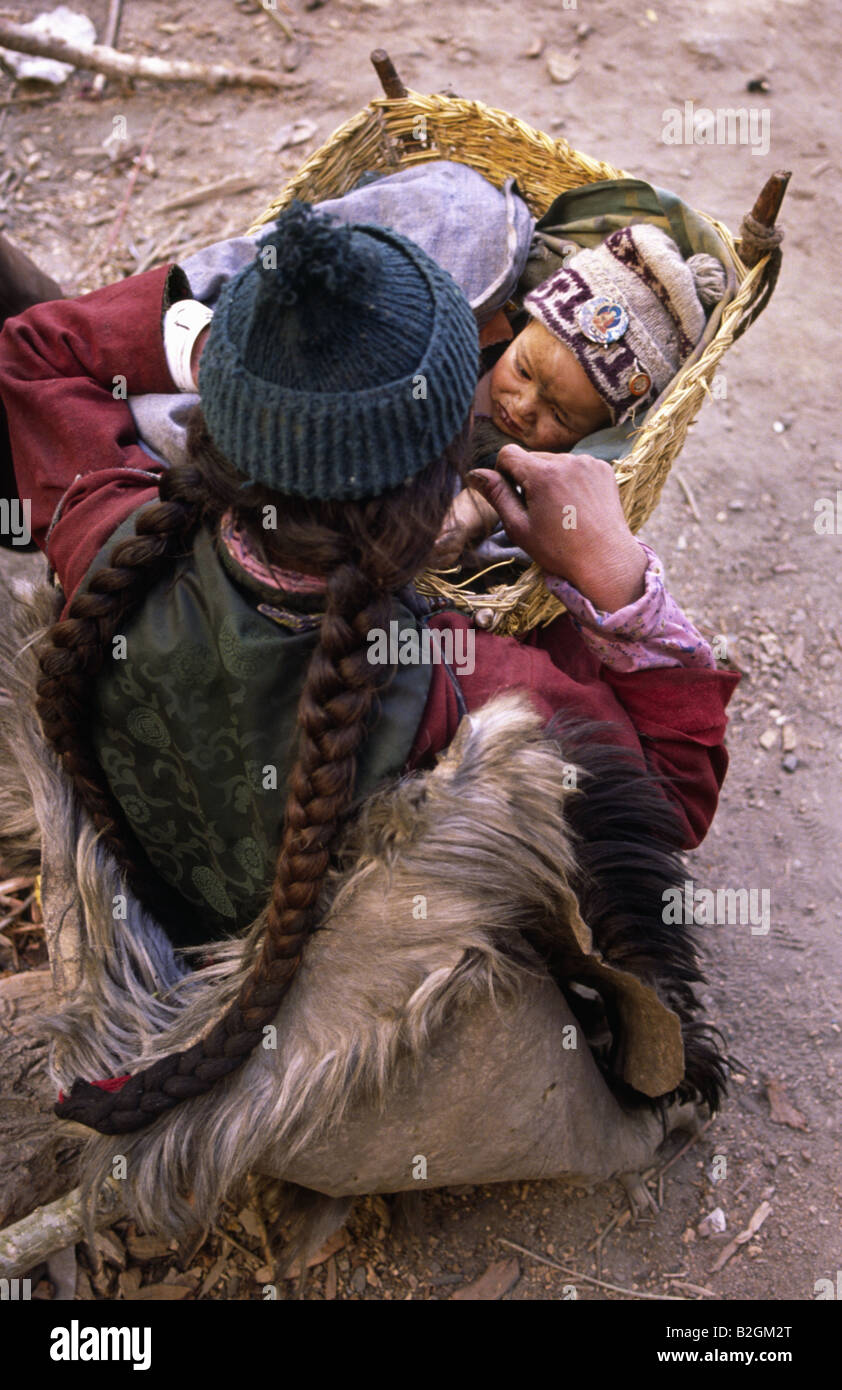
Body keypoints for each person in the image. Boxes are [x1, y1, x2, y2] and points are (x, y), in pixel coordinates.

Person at [0, 201, 739, 1135]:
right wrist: (617, 581)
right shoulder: (477, 690)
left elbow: (33, 349)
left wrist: (222, 344)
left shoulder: (104, 533)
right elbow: (667, 806)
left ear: (219, 424)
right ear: (444, 491)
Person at [434, 222, 727, 564]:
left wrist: (474, 511)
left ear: (600, 430)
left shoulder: (557, 467)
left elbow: (511, 496)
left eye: (559, 415)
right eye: (523, 370)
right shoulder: (479, 341)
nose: (523, 406)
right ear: (523, 324)